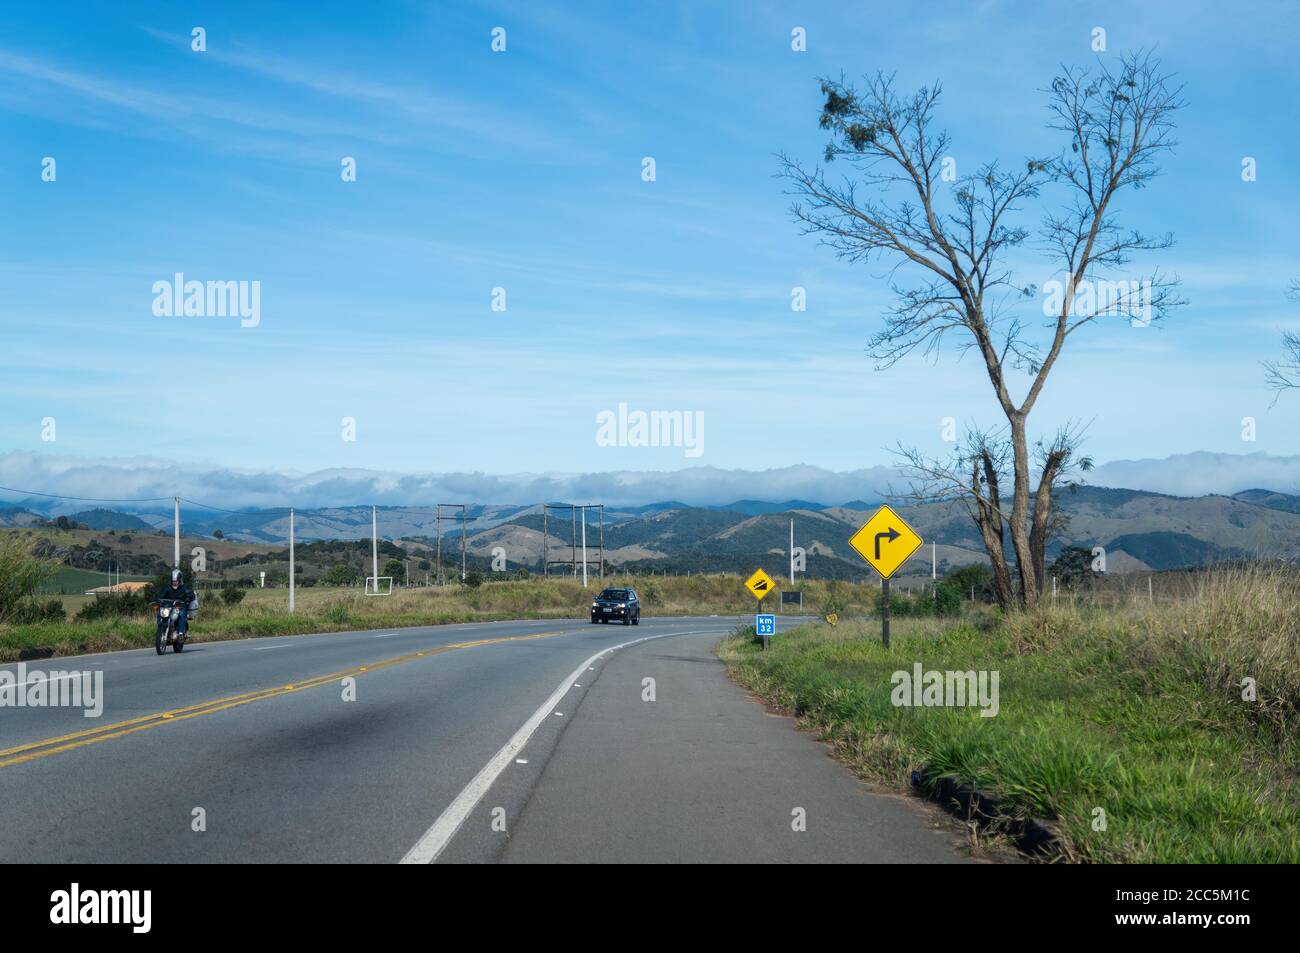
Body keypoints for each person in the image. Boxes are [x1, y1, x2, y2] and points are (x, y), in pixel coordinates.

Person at [159, 569, 198, 636]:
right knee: (161, 613)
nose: (174, 583)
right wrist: (158, 599)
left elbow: (191, 594)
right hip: (169, 607)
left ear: (180, 580)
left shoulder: (184, 588)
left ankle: (180, 633)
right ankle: (161, 627)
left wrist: (188, 598)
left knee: (182, 614)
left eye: (176, 581)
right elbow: (160, 595)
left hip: (180, 607)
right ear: (170, 580)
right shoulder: (167, 588)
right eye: (173, 581)